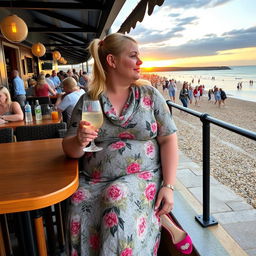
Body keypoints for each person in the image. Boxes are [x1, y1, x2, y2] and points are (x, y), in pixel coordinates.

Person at [62, 33, 178, 256]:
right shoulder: (89, 99)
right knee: (78, 201)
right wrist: (79, 140)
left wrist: (169, 186)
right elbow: (69, 149)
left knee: (117, 195)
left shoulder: (150, 95)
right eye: (133, 56)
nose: (140, 62)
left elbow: (169, 139)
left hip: (141, 178)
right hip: (95, 179)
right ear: (112, 61)